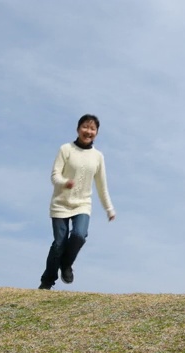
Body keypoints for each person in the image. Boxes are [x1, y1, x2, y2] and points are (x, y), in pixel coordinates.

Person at [39, 114, 116, 290]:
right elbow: (54, 175)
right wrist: (64, 182)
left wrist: (109, 208)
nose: (88, 131)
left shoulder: (98, 157)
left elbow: (101, 185)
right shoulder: (66, 149)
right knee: (59, 244)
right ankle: (47, 281)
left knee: (79, 235)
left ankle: (66, 265)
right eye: (85, 127)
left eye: (93, 128)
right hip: (60, 202)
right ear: (78, 128)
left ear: (96, 133)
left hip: (82, 204)